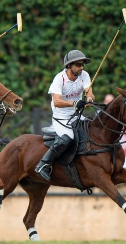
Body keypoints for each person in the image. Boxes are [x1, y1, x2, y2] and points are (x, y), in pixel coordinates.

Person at [35, 50, 95, 181]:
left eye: (82, 64)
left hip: (76, 116)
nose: (81, 67)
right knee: (68, 138)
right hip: (61, 117)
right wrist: (74, 103)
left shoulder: (84, 75)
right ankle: (43, 164)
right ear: (69, 65)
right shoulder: (59, 79)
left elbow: (89, 92)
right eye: (78, 65)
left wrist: (90, 98)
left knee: (93, 131)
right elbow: (56, 102)